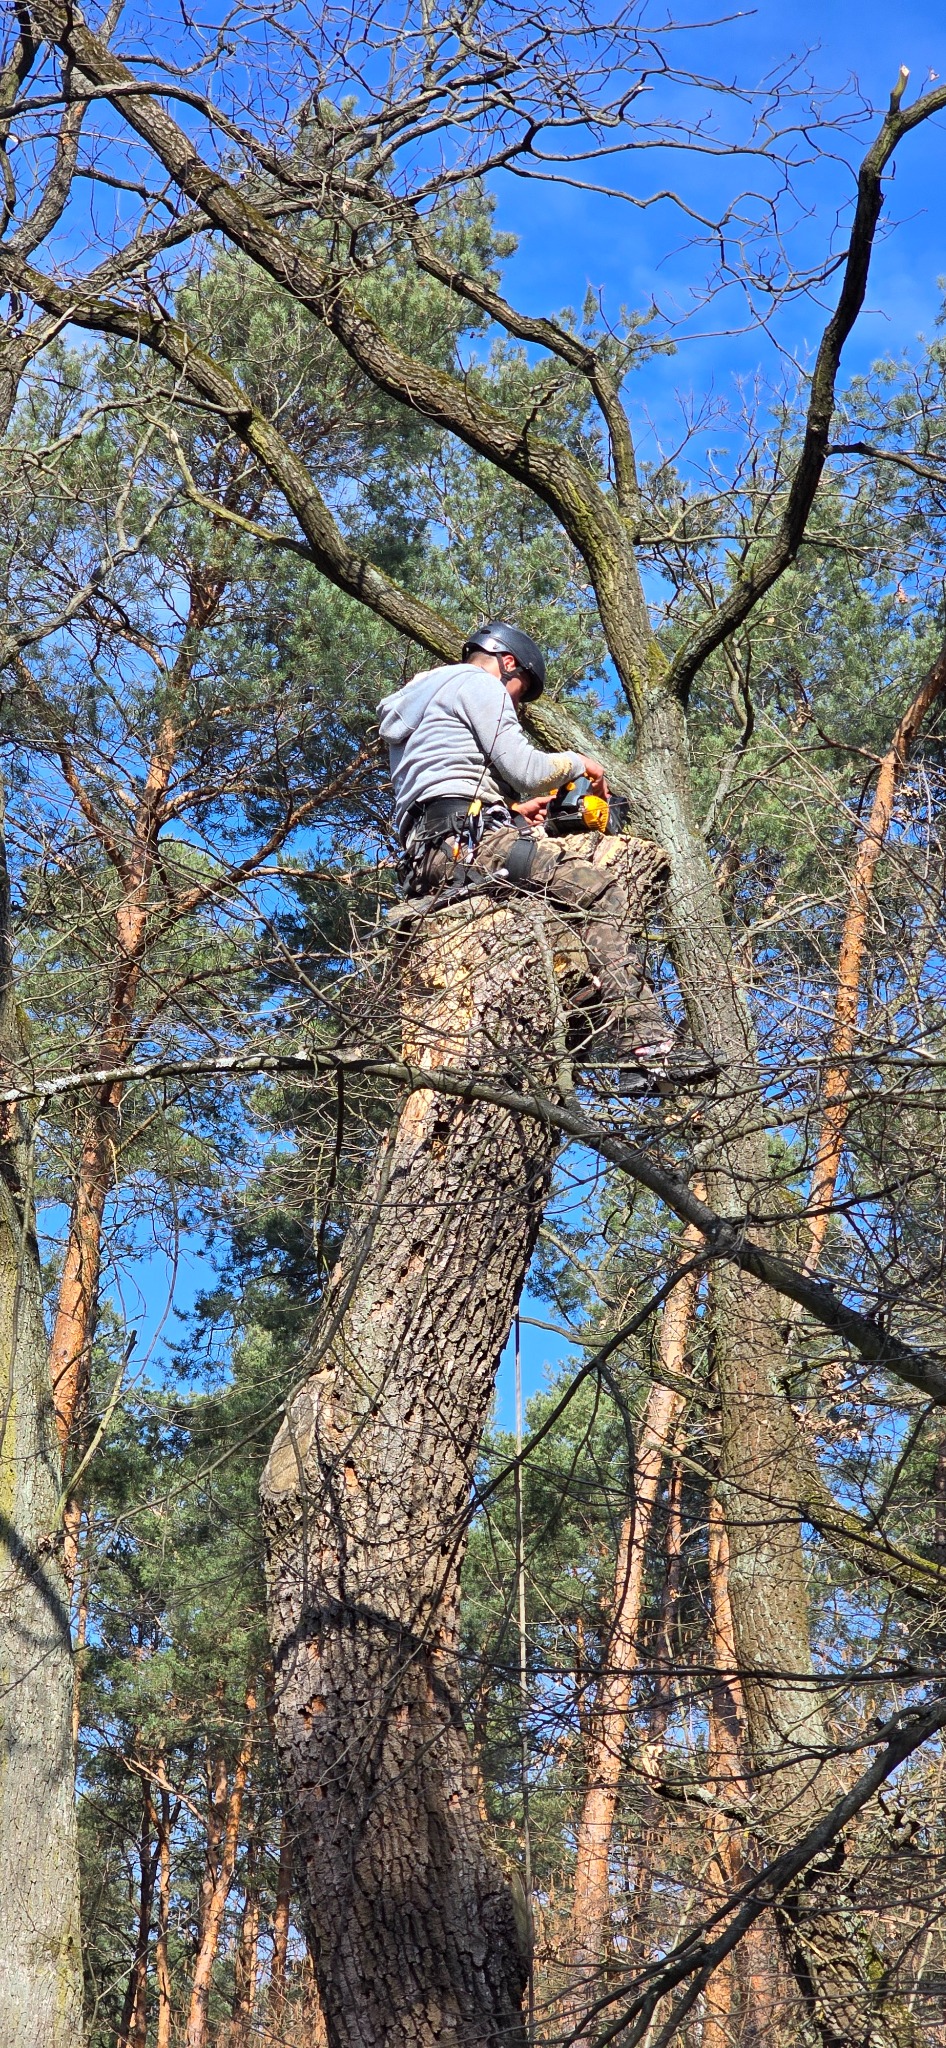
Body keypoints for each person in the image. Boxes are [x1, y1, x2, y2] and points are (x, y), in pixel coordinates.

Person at [378, 622, 717, 1086]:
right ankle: (646, 1044)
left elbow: (445, 790)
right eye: (520, 694)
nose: (515, 703)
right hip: (472, 843)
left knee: (559, 924)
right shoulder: (481, 683)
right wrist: (580, 763)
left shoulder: (415, 705)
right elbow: (528, 769)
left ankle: (573, 1049)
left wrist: (514, 816)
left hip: (432, 857)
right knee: (597, 891)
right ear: (507, 663)